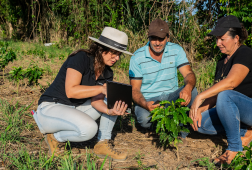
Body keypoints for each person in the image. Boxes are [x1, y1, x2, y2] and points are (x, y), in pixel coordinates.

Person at [35, 27, 133, 161]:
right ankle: (55, 138)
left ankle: (102, 143)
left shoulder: (107, 72)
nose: (117, 58)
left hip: (74, 109)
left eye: (119, 54)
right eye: (114, 53)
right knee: (89, 129)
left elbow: (96, 101)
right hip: (51, 108)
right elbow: (71, 91)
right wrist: (101, 89)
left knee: (111, 101)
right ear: (101, 48)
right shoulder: (81, 58)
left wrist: (109, 111)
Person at [189, 15, 252, 165]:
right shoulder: (222, 61)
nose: (218, 43)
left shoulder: (245, 53)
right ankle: (247, 133)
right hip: (233, 106)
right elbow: (215, 95)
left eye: (222, 39)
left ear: (236, 38)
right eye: (217, 39)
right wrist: (198, 111)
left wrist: (198, 97)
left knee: (225, 95)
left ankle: (235, 147)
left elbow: (231, 83)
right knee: (200, 125)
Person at [129, 18, 198, 140]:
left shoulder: (176, 50)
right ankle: (164, 125)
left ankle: (180, 132)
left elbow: (189, 74)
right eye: (153, 38)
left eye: (161, 38)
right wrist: (145, 104)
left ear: (168, 37)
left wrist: (187, 87)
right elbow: (135, 90)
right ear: (148, 36)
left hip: (170, 96)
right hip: (149, 100)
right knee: (144, 118)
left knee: (192, 91)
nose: (157, 43)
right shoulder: (137, 57)